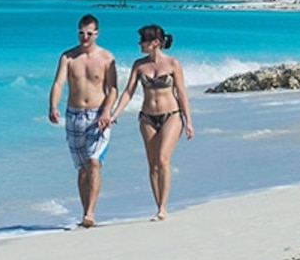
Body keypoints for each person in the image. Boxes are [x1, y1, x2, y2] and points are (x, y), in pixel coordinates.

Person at [46, 12, 121, 228]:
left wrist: (107, 111)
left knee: (94, 162)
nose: (84, 37)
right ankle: (84, 212)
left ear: (96, 33)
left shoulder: (107, 58)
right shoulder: (68, 57)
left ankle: (90, 213)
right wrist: (53, 106)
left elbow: (113, 89)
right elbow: (59, 83)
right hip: (74, 115)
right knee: (82, 168)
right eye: (81, 33)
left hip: (98, 115)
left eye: (89, 33)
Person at [124, 23, 192, 221]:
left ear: (155, 43)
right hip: (147, 117)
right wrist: (113, 114)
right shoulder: (139, 65)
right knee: (152, 164)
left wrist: (189, 121)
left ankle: (163, 207)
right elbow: (128, 92)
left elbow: (181, 92)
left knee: (162, 158)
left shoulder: (173, 64)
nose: (139, 44)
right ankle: (158, 206)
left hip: (171, 114)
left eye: (143, 40)